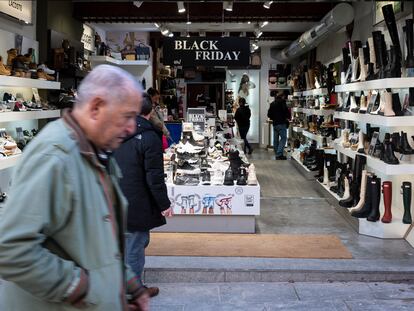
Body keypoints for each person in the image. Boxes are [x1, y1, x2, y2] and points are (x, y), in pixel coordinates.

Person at [0, 65, 150, 311]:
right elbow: (10, 248)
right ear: (96, 107)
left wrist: (129, 284)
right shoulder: (54, 156)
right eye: (127, 116)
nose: (132, 127)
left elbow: (98, 238)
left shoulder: (95, 153)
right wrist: (83, 288)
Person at [114, 93, 173, 299]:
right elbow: (154, 176)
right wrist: (164, 204)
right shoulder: (150, 137)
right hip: (137, 201)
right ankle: (134, 290)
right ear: (150, 111)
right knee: (136, 245)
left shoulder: (114, 131)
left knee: (124, 244)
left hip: (114, 198)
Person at [267, 91, 290, 160]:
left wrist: (274, 118)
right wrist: (287, 117)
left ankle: (277, 153)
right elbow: (286, 112)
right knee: (283, 138)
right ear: (282, 96)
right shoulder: (282, 103)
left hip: (275, 123)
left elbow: (269, 114)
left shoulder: (272, 104)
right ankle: (279, 154)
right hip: (281, 123)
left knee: (275, 139)